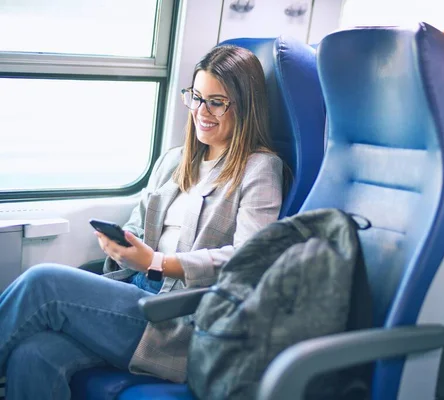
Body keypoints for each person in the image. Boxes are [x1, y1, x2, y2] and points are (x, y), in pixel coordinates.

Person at [0, 45, 285, 399]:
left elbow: (249, 261)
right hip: (136, 291)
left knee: (44, 282)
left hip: (180, 318)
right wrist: (124, 246)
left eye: (217, 101)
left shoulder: (259, 168)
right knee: (34, 355)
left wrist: (157, 262)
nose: (201, 111)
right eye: (196, 97)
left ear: (244, 106)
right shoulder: (175, 160)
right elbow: (138, 223)